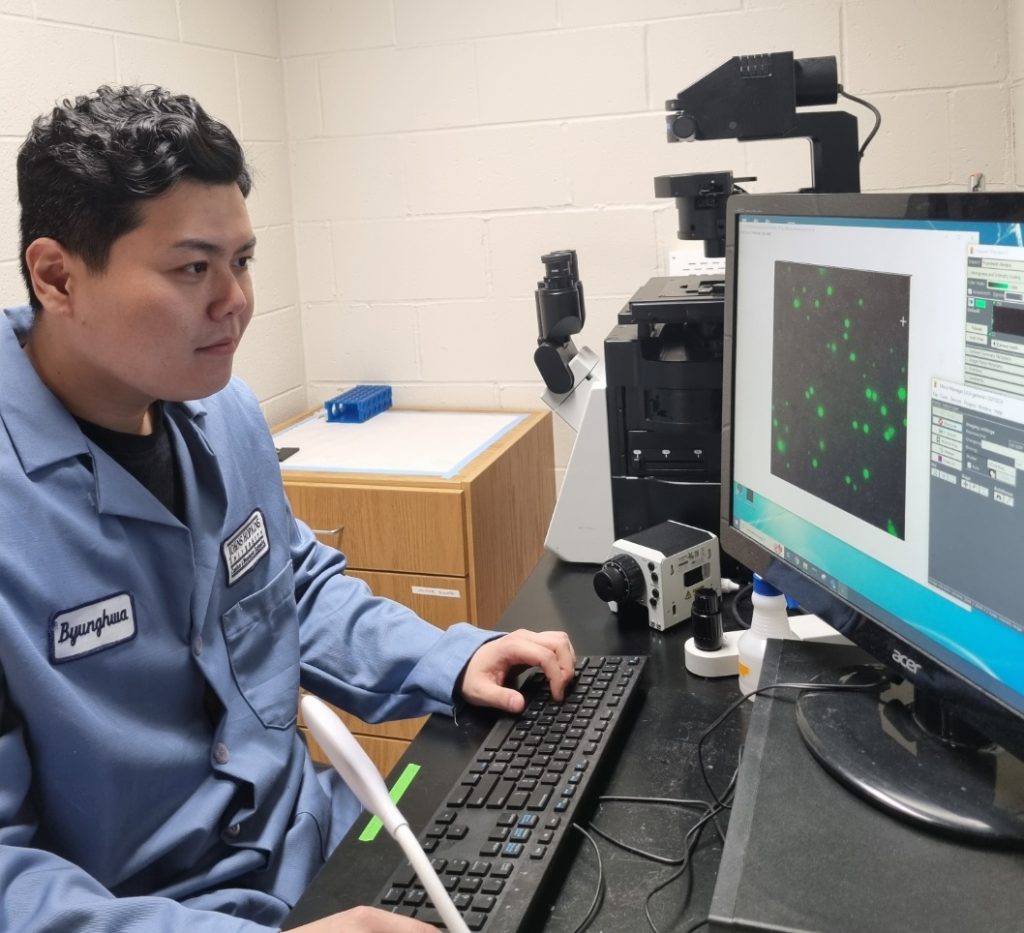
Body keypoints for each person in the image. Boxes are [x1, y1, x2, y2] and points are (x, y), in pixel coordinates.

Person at [0, 85, 575, 933]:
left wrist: (448, 659)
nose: (235, 300)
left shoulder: (222, 411)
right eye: (193, 268)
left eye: (242, 260)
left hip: (324, 844)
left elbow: (291, 591)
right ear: (56, 275)